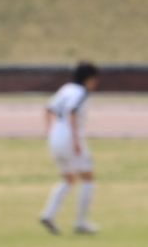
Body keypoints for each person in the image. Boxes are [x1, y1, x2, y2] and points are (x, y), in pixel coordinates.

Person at [39, 61, 101, 235]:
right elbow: (72, 111)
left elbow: (47, 107)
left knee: (68, 179)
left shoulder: (66, 88)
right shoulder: (81, 92)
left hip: (55, 137)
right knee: (88, 177)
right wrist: (75, 139)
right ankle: (80, 222)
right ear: (88, 79)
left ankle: (48, 214)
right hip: (70, 138)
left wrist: (49, 131)